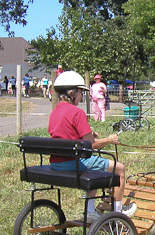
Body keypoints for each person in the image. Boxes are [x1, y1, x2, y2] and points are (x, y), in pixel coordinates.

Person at [48, 71, 136, 223]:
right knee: (119, 169)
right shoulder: (77, 112)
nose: (82, 96)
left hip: (56, 163)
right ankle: (119, 213)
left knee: (94, 166)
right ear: (71, 92)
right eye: (80, 92)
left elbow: (63, 134)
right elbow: (91, 145)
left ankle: (91, 212)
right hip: (73, 163)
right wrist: (109, 139)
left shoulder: (54, 112)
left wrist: (85, 134)